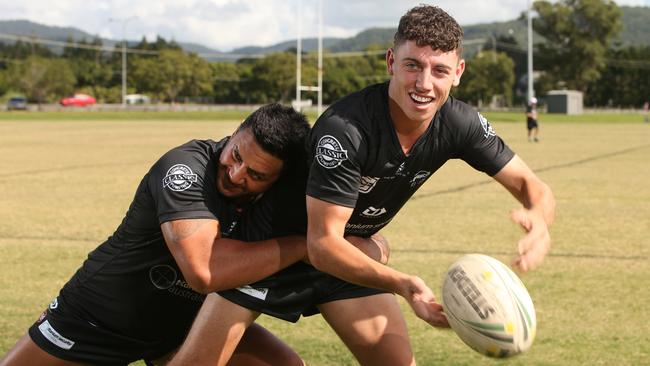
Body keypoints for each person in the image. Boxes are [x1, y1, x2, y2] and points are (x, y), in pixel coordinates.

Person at [165, 4, 556, 366]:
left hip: (347, 264)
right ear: (390, 61)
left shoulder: (460, 123)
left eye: (439, 70)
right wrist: (405, 284)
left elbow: (531, 185)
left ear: (458, 72)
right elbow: (321, 244)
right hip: (271, 254)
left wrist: (539, 219)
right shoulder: (346, 130)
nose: (424, 83)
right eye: (412, 66)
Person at [0, 103, 387, 366]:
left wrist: (371, 246)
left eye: (256, 175)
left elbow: (351, 239)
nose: (236, 175)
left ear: (278, 180)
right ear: (235, 133)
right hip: (95, 320)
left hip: (181, 328)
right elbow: (202, 271)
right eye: (236, 156)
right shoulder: (184, 168)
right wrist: (306, 246)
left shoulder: (285, 196)